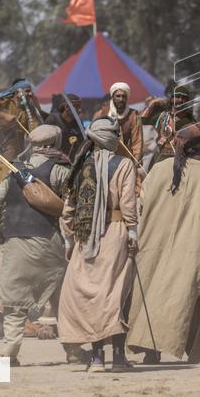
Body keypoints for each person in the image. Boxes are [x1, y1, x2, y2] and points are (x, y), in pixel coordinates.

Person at [126, 123, 200, 364]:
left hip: (154, 246)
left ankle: (153, 351)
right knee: (188, 298)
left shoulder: (159, 169)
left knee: (156, 294)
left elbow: (142, 204)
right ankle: (190, 351)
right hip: (192, 248)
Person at [0, 125, 86, 366]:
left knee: (14, 302)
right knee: (61, 298)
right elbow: (73, 205)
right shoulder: (61, 171)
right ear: (55, 142)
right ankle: (73, 351)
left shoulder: (14, 172)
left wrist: (2, 232)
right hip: (49, 243)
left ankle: (10, 352)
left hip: (15, 244)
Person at [58, 117, 138, 372]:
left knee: (91, 297)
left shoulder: (80, 165)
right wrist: (133, 232)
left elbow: (68, 210)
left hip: (85, 237)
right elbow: (128, 205)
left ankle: (96, 359)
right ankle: (118, 358)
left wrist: (71, 237)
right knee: (117, 295)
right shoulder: (124, 164)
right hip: (116, 235)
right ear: (112, 137)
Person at [141, 84, 196, 165]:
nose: (180, 100)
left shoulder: (189, 120)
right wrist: (153, 103)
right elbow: (143, 120)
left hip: (181, 160)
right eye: (177, 97)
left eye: (184, 98)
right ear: (171, 99)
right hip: (161, 157)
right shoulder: (162, 116)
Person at [94, 83, 143, 165]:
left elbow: (137, 141)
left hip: (125, 159)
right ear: (112, 97)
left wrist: (136, 161)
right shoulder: (102, 113)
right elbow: (94, 137)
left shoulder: (133, 115)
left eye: (124, 96)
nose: (121, 99)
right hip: (104, 158)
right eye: (118, 96)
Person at [45, 93, 85, 161]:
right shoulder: (53, 120)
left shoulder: (78, 123)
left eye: (80, 106)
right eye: (77, 106)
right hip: (54, 163)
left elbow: (83, 144)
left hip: (73, 164)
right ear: (67, 107)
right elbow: (45, 145)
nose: (80, 110)